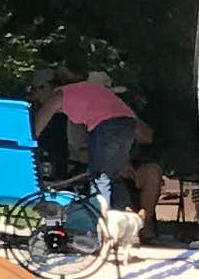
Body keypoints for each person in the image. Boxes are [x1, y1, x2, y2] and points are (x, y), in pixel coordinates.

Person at [27, 64, 157, 215]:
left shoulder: (59, 95)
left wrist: (27, 142)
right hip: (127, 123)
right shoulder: (87, 90)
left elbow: (38, 125)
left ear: (52, 87)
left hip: (105, 126)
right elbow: (144, 134)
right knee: (114, 177)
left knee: (100, 176)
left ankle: (102, 220)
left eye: (39, 90)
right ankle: (128, 220)